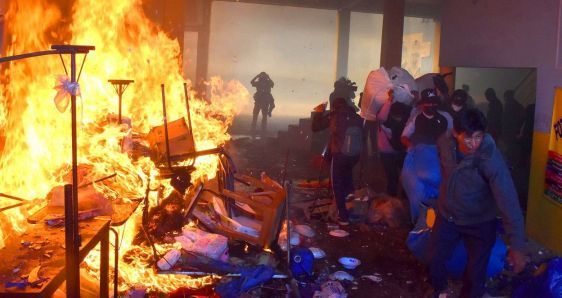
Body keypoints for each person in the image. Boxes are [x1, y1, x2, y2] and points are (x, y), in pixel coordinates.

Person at [427, 108, 526, 298]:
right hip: (448, 216)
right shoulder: (444, 142)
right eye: (468, 137)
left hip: (479, 221)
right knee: (434, 259)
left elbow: (508, 200)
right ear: (456, 133)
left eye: (478, 137)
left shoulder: (490, 159)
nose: (474, 143)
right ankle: (439, 290)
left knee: (475, 273)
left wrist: (517, 246)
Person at [312, 97, 364, 225]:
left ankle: (343, 217)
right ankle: (352, 210)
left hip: (340, 154)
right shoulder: (357, 117)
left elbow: (316, 127)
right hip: (354, 156)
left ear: (334, 107)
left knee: (337, 185)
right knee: (347, 181)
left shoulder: (334, 115)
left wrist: (319, 112)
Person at [401, 88, 449, 223]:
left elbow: (448, 138)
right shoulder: (416, 119)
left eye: (434, 104)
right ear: (422, 104)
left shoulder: (443, 119)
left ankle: (439, 221)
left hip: (437, 159)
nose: (431, 106)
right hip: (419, 158)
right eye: (428, 104)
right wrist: (411, 146)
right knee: (417, 190)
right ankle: (417, 221)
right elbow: (404, 137)